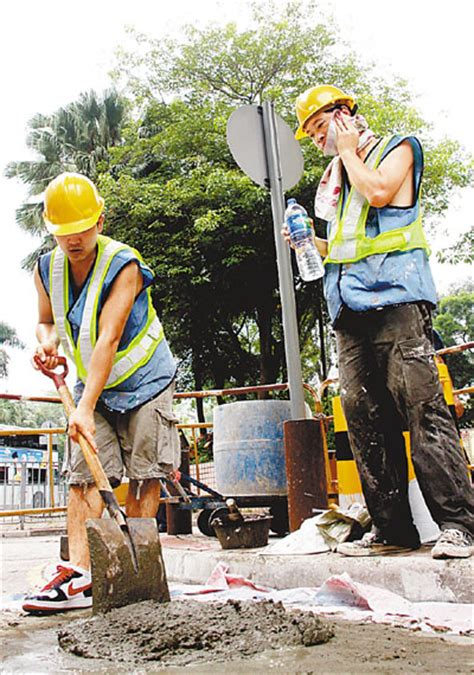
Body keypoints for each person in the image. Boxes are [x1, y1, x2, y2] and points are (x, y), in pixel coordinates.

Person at [287, 85, 473, 558]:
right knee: (365, 420)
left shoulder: (397, 148)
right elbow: (350, 246)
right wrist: (312, 246)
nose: (317, 141)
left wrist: (349, 153)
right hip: (349, 309)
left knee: (423, 411)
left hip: (397, 300)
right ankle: (392, 529)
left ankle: (459, 525)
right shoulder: (338, 178)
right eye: (310, 134)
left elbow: (382, 191)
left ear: (344, 114)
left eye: (318, 127)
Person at [23, 172, 180, 612]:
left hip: (145, 382)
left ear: (100, 220)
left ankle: (137, 570)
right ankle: (79, 574)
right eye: (63, 233)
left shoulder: (123, 264)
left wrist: (85, 408)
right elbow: (47, 320)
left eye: (82, 230)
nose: (73, 241)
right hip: (93, 384)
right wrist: (47, 342)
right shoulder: (46, 267)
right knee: (85, 477)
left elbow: (108, 338)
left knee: (145, 473)